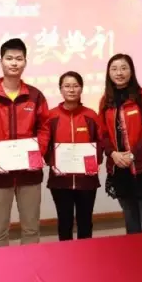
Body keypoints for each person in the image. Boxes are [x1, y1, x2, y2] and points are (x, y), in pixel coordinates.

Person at [0, 38, 49, 247]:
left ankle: (31, 266)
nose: (14, 63)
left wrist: (38, 152)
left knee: (31, 228)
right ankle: (2, 267)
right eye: (9, 58)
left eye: (19, 58)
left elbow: (44, 128)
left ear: (25, 62)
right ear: (1, 62)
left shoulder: (35, 96)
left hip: (29, 173)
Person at [99, 53, 142, 234]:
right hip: (119, 166)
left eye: (123, 68)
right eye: (114, 69)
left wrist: (133, 154)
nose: (119, 73)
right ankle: (134, 250)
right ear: (109, 73)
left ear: (131, 71)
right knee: (130, 215)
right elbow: (102, 133)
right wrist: (113, 154)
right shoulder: (106, 101)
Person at [38, 71, 103, 241]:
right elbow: (44, 142)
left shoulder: (91, 115)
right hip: (60, 180)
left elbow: (101, 142)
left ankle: (86, 254)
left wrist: (96, 161)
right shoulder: (51, 116)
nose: (71, 90)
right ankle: (65, 255)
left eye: (75, 86)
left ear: (82, 88)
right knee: (64, 222)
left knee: (85, 222)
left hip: (86, 180)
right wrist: (50, 161)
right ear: (60, 89)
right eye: (67, 86)